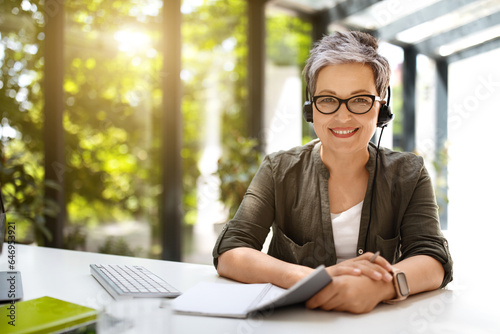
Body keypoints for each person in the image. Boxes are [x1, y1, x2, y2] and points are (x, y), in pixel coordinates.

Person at [212, 31, 453, 314]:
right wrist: (311, 279)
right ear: (310, 107)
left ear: (382, 107)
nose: (343, 116)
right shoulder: (278, 170)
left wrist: (381, 287)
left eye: (360, 100)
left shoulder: (409, 173)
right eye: (327, 99)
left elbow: (432, 258)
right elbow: (231, 251)